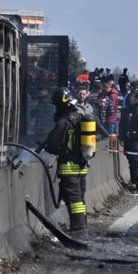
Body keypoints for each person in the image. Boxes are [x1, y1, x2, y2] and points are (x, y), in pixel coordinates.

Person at [43, 87, 90, 238]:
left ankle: (78, 229)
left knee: (73, 199)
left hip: (69, 167)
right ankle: (82, 226)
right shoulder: (79, 117)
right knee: (79, 198)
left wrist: (48, 147)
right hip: (81, 166)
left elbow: (54, 143)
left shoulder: (64, 122)